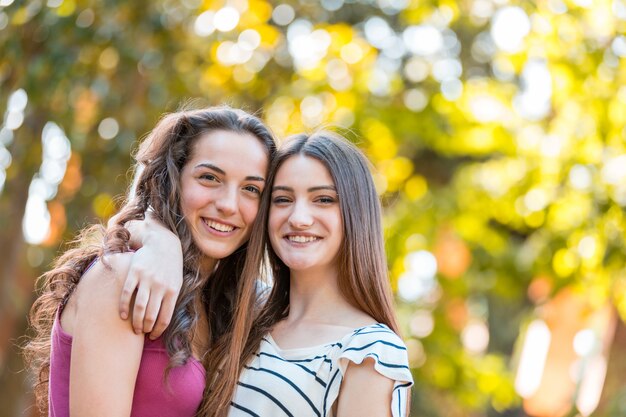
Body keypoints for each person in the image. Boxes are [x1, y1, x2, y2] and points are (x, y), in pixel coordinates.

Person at [126, 131, 414, 417]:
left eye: (323, 199)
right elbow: (127, 224)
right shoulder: (244, 310)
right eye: (282, 199)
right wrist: (159, 240)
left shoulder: (369, 351)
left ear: (356, 214)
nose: (299, 218)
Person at [24, 106, 276, 416]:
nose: (228, 204)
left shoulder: (226, 305)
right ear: (174, 179)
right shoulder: (123, 276)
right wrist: (159, 239)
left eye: (251, 189)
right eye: (209, 177)